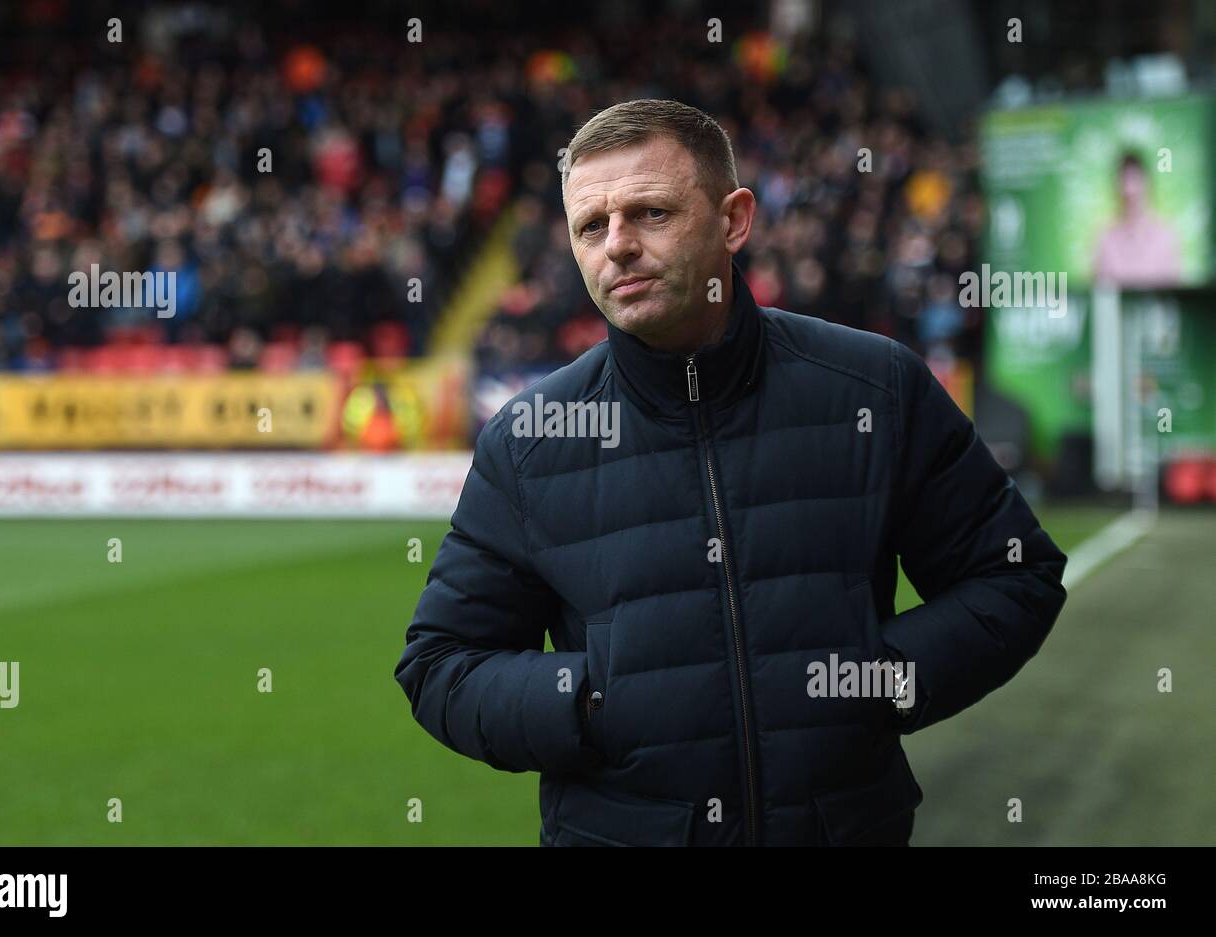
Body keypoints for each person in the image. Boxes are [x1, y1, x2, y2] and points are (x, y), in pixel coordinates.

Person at [395, 99, 1068, 846]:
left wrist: (873, 684)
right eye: (592, 226)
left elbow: (1015, 574)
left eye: (650, 213)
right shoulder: (530, 437)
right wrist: (587, 699)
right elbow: (440, 664)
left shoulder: (874, 388)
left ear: (734, 221)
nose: (616, 245)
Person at [1092, 151, 1184, 288]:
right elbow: (1099, 292)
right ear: (1116, 190)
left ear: (1147, 185)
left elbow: (1175, 292)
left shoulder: (1165, 235)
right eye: (1124, 183)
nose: (1130, 190)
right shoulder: (1105, 238)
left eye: (1135, 182)